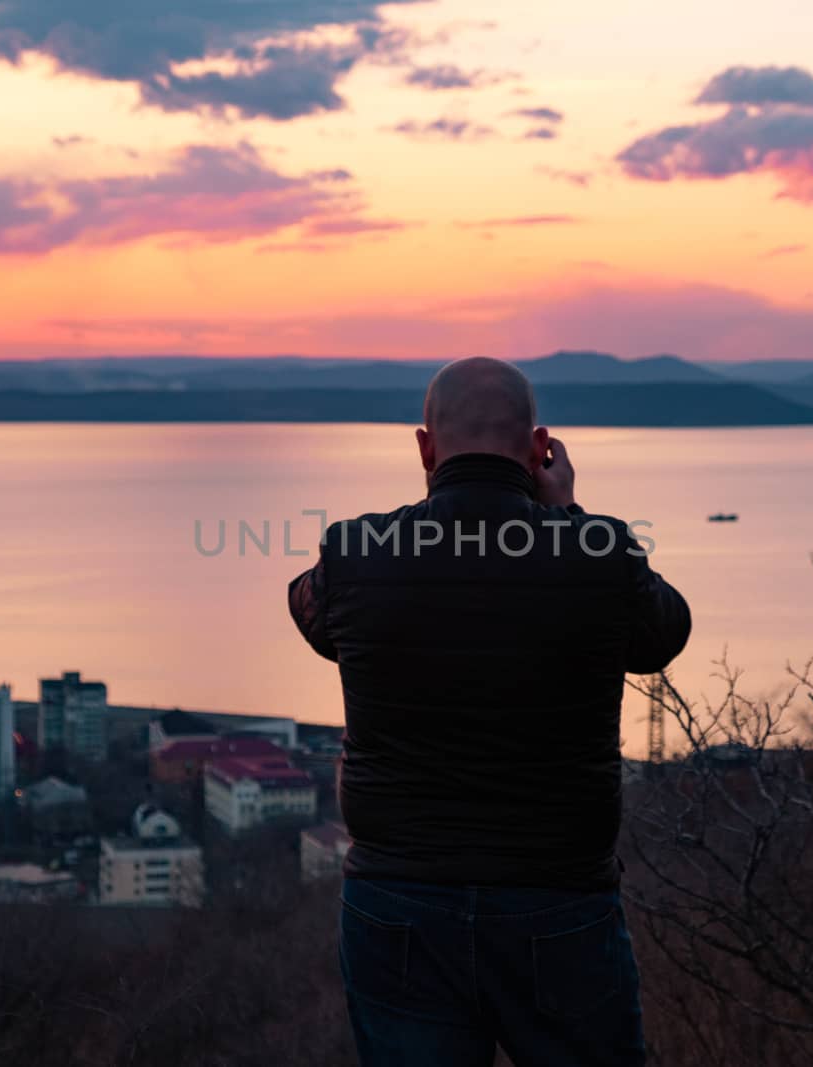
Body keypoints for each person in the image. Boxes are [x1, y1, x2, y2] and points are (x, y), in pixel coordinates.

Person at [288, 356, 692, 1066]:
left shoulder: (356, 552)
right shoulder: (597, 552)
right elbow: (664, 634)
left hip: (398, 900)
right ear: (540, 450)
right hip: (559, 901)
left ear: (425, 447)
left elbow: (312, 610)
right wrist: (567, 511)